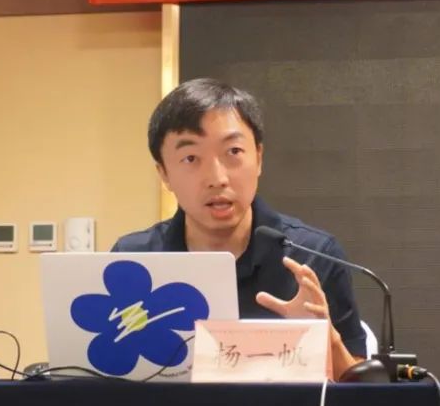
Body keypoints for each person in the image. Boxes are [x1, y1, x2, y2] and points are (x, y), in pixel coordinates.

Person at [112, 77, 366, 380]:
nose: (217, 178)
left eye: (233, 152)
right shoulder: (133, 260)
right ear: (164, 174)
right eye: (191, 158)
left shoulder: (313, 255)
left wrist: (325, 336)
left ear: (258, 157)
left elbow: (359, 388)